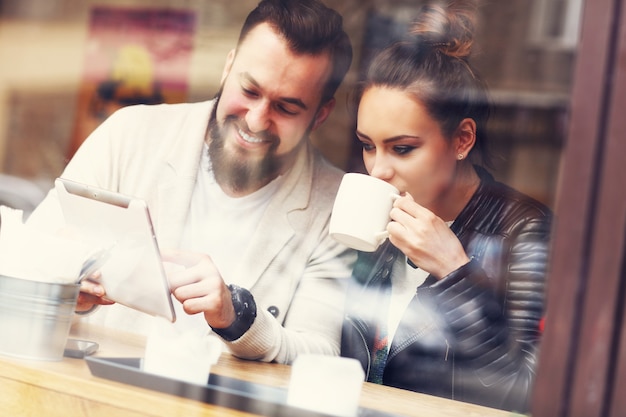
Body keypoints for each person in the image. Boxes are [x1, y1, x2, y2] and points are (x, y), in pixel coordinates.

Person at [27, 0, 355, 364]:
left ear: (321, 114)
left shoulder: (334, 206)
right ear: (228, 67)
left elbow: (320, 353)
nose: (257, 120)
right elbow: (26, 258)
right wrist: (68, 283)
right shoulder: (129, 135)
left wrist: (237, 316)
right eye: (249, 91)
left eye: (287, 108)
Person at [339, 1, 551, 413]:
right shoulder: (379, 216)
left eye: (402, 148)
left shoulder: (524, 232)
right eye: (368, 146)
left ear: (462, 140)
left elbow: (529, 394)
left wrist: (456, 275)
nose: (378, 169)